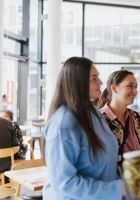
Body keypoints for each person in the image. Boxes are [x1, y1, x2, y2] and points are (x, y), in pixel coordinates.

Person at [43, 57, 122, 199]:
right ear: (77, 82)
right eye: (94, 78)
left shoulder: (94, 114)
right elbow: (65, 184)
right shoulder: (63, 124)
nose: (101, 82)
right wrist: (119, 189)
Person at [97, 70, 140, 163]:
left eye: (136, 87)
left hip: (134, 173)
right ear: (114, 88)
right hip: (112, 176)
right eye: (130, 86)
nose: (135, 91)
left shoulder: (135, 116)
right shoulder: (99, 119)